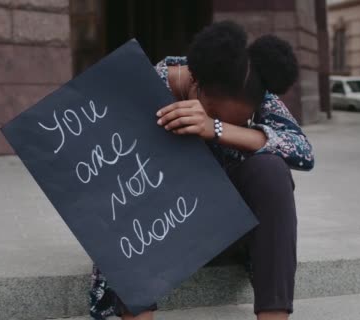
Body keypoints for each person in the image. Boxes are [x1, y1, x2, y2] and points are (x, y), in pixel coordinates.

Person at [89, 20, 314, 320]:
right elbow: (103, 175)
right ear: (196, 84)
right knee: (133, 169)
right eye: (214, 112)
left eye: (238, 120)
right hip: (155, 232)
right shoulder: (146, 83)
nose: (218, 120)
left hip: (224, 227)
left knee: (271, 169)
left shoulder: (251, 84)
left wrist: (216, 127)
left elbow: (302, 150)